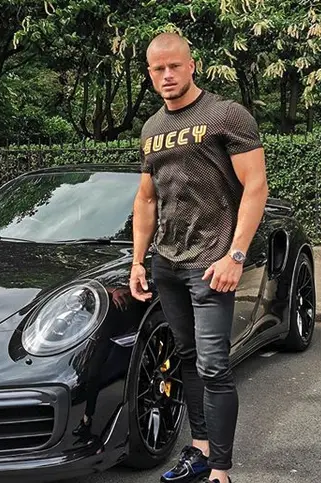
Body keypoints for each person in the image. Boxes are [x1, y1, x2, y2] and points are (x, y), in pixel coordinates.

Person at [130, 32, 269, 483]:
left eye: (174, 66)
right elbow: (146, 199)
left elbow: (255, 187)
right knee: (187, 358)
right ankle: (201, 452)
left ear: (193, 66)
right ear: (150, 74)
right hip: (167, 263)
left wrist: (236, 254)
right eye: (157, 69)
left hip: (211, 262)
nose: (167, 75)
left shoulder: (225, 114)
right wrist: (138, 260)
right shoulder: (151, 128)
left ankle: (221, 472)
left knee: (213, 365)